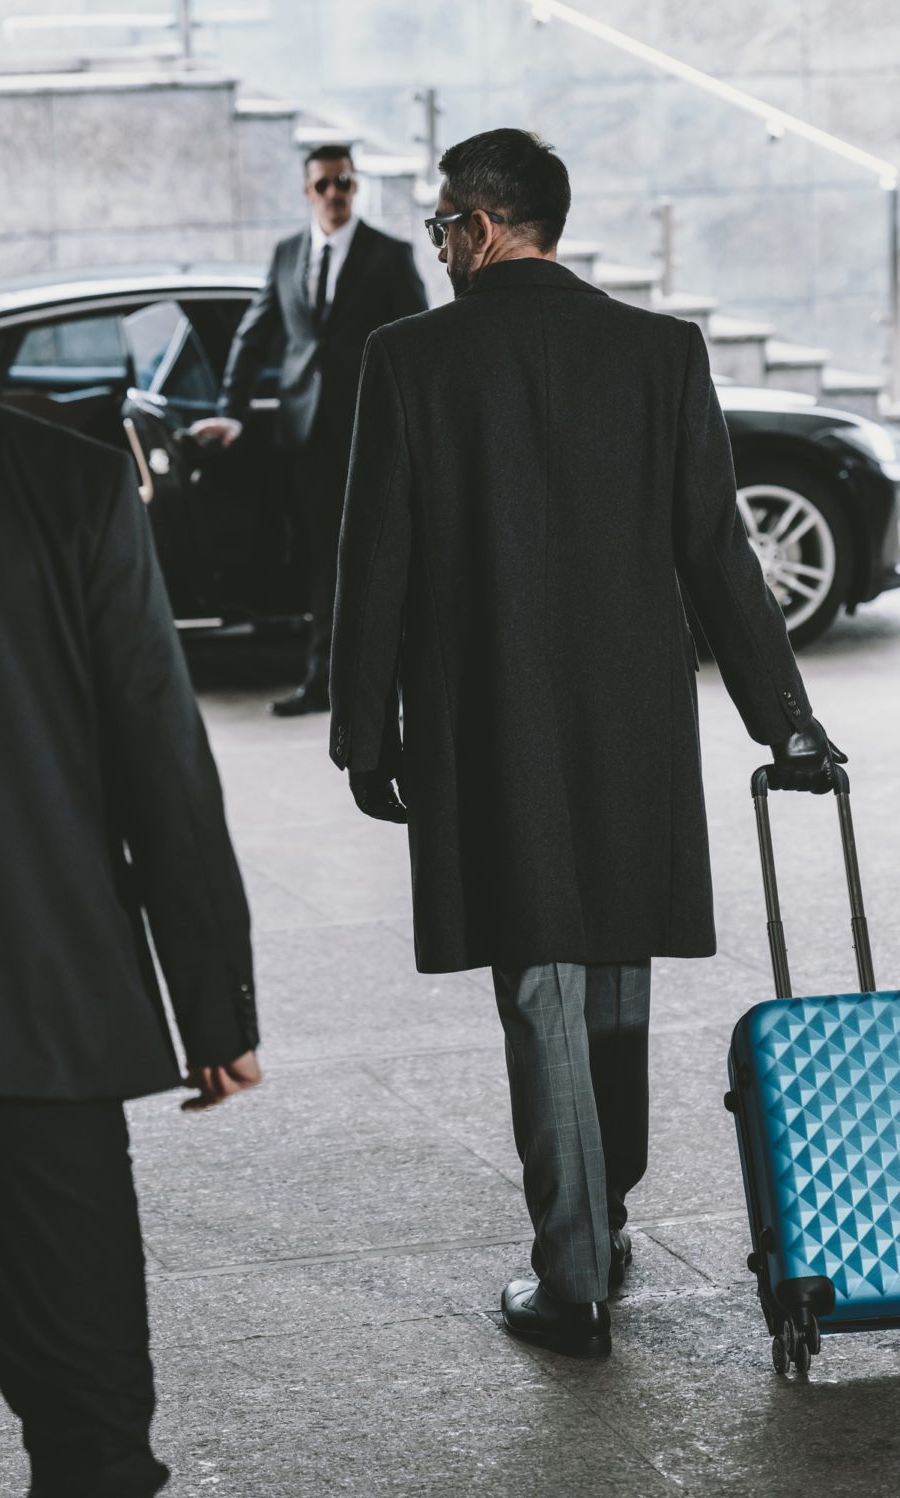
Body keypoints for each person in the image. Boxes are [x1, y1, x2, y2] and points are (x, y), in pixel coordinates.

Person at [328, 127, 844, 1360]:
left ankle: (571, 1284)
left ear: (485, 225)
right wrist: (788, 724)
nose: (443, 247)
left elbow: (375, 561)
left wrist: (364, 732)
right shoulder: (657, 351)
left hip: (489, 719)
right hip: (630, 726)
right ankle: (600, 1219)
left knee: (542, 986)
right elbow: (719, 555)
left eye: (447, 225)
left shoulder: (409, 358)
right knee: (610, 972)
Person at [0, 154, 261, 1497]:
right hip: (36, 1001)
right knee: (90, 1416)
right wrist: (212, 1006)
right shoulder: (66, 484)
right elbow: (157, 761)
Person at [191, 143, 428, 717]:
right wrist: (234, 411)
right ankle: (324, 680)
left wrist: (419, 423)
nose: (334, 194)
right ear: (307, 191)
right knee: (323, 559)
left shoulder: (388, 255)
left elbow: (419, 341)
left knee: (382, 556)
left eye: (344, 182)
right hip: (306, 436)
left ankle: (396, 683)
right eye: (323, 184)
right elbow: (253, 336)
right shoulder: (287, 253)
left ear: (356, 187)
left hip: (372, 433)